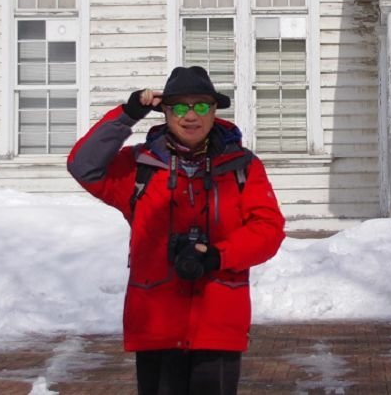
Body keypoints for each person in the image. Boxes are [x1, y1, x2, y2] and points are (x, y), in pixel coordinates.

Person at [67, 65, 286, 395]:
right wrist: (127, 115)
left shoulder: (242, 166)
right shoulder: (141, 166)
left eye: (200, 105)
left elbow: (268, 229)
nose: (191, 116)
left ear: (214, 110)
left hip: (218, 321)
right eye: (180, 107)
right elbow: (83, 165)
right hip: (156, 321)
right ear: (165, 111)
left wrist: (218, 255)